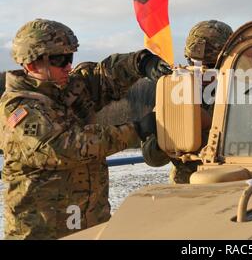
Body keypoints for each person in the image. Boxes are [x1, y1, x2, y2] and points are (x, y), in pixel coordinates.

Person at [0, 18, 171, 239]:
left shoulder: (67, 88)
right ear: (32, 64)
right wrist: (136, 129)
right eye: (60, 59)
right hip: (45, 233)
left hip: (91, 226)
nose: (68, 66)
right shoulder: (18, 110)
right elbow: (63, 148)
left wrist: (141, 62)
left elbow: (105, 75)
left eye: (70, 57)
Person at [141, 20, 233, 184]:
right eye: (194, 63)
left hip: (231, 184)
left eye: (210, 65)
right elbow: (152, 158)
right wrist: (162, 131)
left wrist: (208, 125)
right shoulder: (179, 90)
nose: (201, 71)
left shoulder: (243, 92)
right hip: (185, 190)